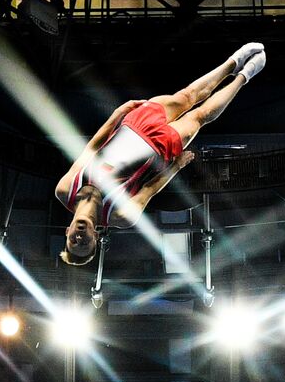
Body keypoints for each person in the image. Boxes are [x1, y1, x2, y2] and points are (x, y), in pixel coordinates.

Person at [57, 43, 268, 266]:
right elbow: (150, 189)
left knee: (186, 96)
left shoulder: (65, 190)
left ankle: (232, 63)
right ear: (96, 238)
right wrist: (176, 166)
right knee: (200, 115)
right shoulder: (119, 216)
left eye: (74, 241)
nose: (80, 237)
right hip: (160, 147)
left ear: (67, 231)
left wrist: (116, 115)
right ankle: (244, 76)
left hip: (132, 125)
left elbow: (91, 148)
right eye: (85, 243)